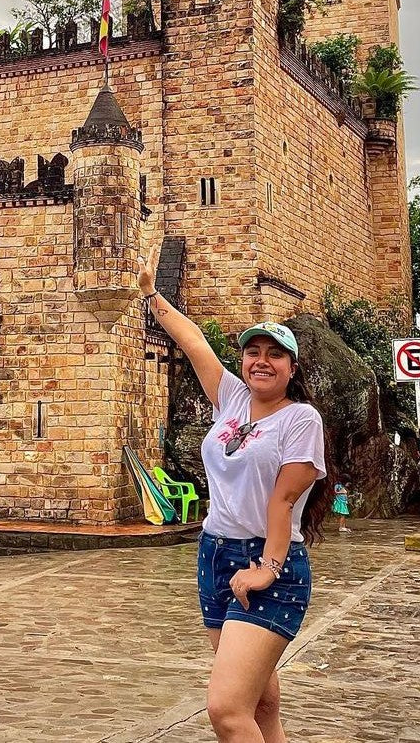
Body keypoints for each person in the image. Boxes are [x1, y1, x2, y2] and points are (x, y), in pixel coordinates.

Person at [138, 245, 330, 743]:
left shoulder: (300, 419)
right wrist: (151, 294)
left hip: (269, 562)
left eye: (275, 355)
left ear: (292, 367)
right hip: (215, 554)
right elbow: (193, 341)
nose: (262, 362)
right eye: (254, 352)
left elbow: (283, 500)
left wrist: (266, 568)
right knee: (260, 702)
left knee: (226, 710)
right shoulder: (233, 398)